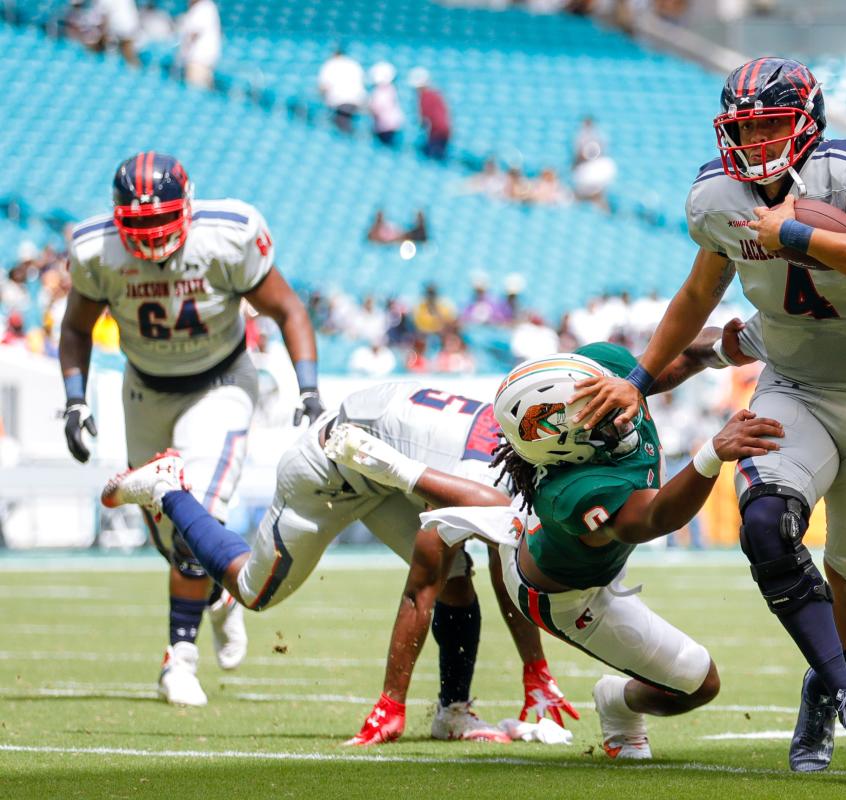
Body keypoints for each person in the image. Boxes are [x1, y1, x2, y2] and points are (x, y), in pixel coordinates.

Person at [571, 57, 846, 772]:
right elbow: (696, 297)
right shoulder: (716, 197)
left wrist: (796, 234)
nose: (756, 143)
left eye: (770, 126)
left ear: (809, 122)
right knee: (765, 523)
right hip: (793, 383)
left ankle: (820, 692)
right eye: (744, 128)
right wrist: (635, 378)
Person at [100, 381, 578, 743]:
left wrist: (535, 669)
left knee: (457, 576)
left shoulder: (519, 436)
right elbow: (420, 587)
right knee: (252, 590)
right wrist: (390, 704)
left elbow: (505, 559)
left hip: (386, 465)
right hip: (329, 469)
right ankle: (169, 488)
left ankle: (453, 712)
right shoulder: (480, 474)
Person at [421, 344, 783, 759]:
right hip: (564, 595)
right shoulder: (573, 490)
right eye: (592, 410)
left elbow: (683, 355)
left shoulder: (598, 370)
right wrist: (711, 453)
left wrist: (735, 343)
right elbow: (656, 518)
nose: (611, 401)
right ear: (568, 444)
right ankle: (616, 701)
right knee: (700, 683)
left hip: (594, 550)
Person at [59, 152, 324, 707]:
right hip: (145, 389)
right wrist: (75, 401)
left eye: (162, 223)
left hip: (220, 384)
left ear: (189, 207)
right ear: (117, 219)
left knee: (193, 513)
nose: (153, 239)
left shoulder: (227, 236)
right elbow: (76, 328)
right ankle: (223, 598)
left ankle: (178, 657)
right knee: (166, 532)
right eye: (139, 227)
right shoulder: (94, 248)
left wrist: (307, 389)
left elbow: (288, 309)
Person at [318, 46, 366, 134]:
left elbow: (323, 86)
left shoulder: (330, 64)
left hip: (339, 102)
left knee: (340, 128)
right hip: (356, 102)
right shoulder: (354, 64)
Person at [176, 0, 221, 89]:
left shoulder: (203, 7)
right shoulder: (204, 6)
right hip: (202, 61)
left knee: (195, 91)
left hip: (198, 61)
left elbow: (194, 33)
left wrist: (182, 51)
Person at [409, 67, 451, 160]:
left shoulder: (425, 96)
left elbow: (424, 119)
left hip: (436, 132)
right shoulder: (435, 94)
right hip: (443, 130)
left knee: (433, 156)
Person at [367, 62, 404, 147]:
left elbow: (377, 108)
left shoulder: (382, 91)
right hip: (388, 125)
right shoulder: (390, 89)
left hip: (385, 125)